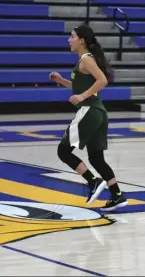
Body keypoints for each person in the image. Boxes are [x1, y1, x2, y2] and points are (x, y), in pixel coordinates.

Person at [49, 24, 128, 212]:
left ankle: (93, 181)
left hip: (89, 110)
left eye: (72, 36)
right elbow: (80, 89)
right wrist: (62, 81)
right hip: (98, 112)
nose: (69, 39)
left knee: (63, 151)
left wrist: (83, 97)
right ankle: (117, 195)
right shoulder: (84, 60)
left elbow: (102, 80)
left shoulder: (85, 59)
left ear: (82, 40)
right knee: (96, 158)